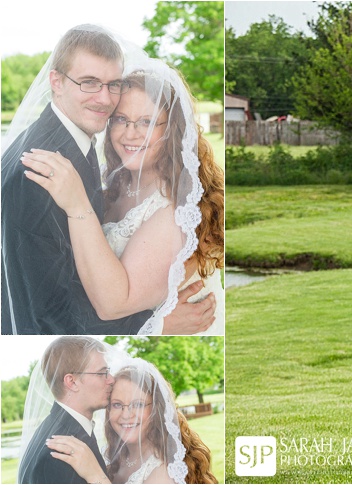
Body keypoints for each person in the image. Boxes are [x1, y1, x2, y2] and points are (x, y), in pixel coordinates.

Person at [1, 24, 215, 335]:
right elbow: (46, 312)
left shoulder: (80, 150)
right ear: (56, 82)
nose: (104, 99)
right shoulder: (43, 171)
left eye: (112, 84)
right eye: (89, 83)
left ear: (171, 130)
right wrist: (156, 325)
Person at [46, 364, 219, 484]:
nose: (126, 415)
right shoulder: (114, 457)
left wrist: (95, 475)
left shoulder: (164, 472)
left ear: (157, 410)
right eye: (117, 405)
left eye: (138, 404)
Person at [18, 337, 113, 484]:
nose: (111, 379)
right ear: (72, 382)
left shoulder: (61, 429)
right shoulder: (59, 455)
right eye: (102, 373)